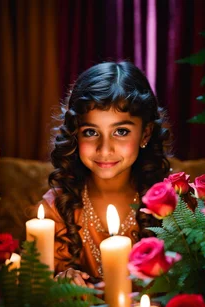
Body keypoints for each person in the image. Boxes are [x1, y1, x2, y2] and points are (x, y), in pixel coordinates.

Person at [42, 61, 170, 288]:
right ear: (75, 134)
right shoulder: (57, 208)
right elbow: (38, 286)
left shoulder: (171, 206)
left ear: (145, 133)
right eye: (91, 132)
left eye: (121, 131)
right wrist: (62, 282)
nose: (104, 149)